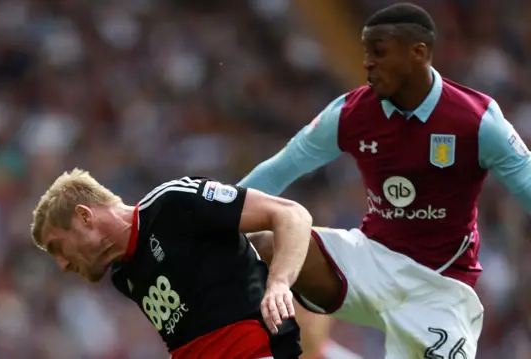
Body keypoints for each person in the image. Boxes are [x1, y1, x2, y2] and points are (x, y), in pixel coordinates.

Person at [239, 2, 531, 359]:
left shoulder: (478, 120)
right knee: (264, 243)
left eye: (379, 53)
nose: (368, 64)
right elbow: (280, 169)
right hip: (371, 259)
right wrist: (212, 212)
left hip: (440, 289)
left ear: (418, 54)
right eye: (366, 53)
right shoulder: (351, 113)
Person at [29, 169, 325, 359]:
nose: (62, 264)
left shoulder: (173, 204)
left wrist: (279, 284)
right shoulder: (124, 275)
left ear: (84, 216)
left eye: (58, 247)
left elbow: (290, 215)